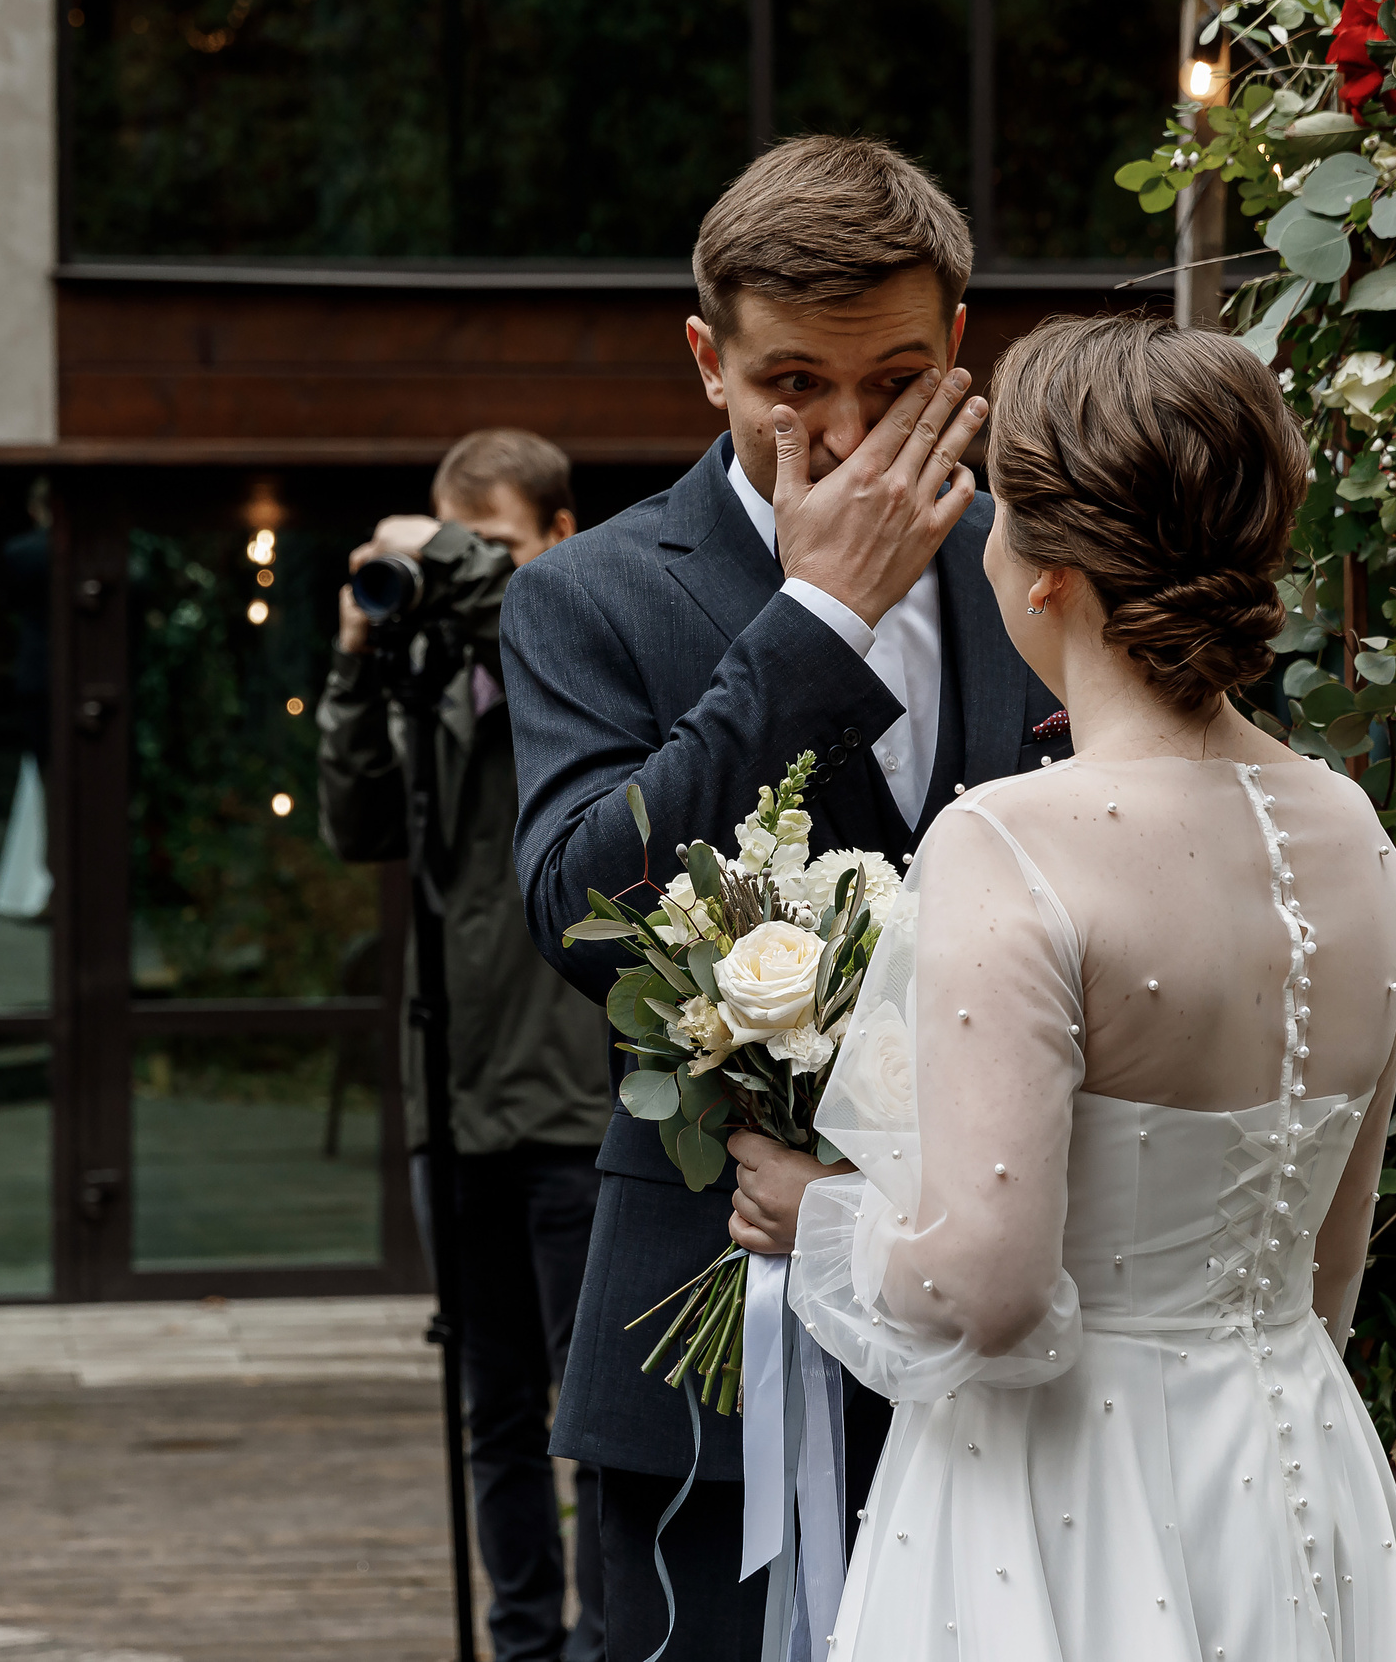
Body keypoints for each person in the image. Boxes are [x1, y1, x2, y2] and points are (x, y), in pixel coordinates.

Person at [780, 314, 1396, 1658]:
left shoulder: (1010, 842)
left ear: (1048, 576)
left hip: (1066, 1488)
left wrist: (822, 1219)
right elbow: (1329, 1269)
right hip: (1299, 1466)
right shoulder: (1361, 838)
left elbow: (991, 1287)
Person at [500, 137, 1069, 1660]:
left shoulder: (1039, 571)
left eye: (897, 381)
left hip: (1002, 1321)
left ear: (958, 344)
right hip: (710, 1316)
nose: (849, 433)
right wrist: (818, 617)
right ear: (708, 361)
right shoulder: (586, 594)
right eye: (792, 386)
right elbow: (582, 909)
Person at [317, 431, 614, 1662]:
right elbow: (357, 824)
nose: (458, 570)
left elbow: (530, 620)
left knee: (592, 1416)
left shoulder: (586, 660)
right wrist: (356, 660)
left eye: (486, 546)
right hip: (454, 1098)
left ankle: (606, 1643)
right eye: (453, 545)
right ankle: (523, 1644)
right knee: (493, 1411)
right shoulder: (435, 679)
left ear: (558, 540)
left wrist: (432, 551)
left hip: (571, 1101)